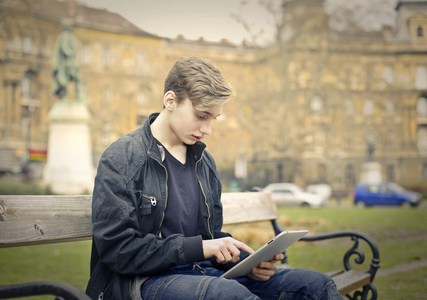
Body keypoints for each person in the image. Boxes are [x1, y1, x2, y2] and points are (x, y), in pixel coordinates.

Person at [86, 56, 342, 300]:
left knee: (316, 285)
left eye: (213, 119)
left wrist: (247, 262)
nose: (207, 130)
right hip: (144, 282)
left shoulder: (203, 161)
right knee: (232, 296)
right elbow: (118, 250)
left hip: (203, 272)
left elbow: (210, 237)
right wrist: (200, 248)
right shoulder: (122, 158)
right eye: (201, 116)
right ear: (170, 100)